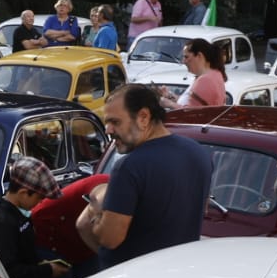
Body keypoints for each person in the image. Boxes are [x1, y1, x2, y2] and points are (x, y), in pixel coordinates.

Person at [78, 84, 212, 268]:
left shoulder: (129, 167)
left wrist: (95, 212)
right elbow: (203, 210)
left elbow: (110, 239)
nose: (108, 130)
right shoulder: (199, 152)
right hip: (178, 273)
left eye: (115, 122)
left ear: (143, 117)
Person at [0, 155, 68, 278]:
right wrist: (47, 271)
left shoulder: (20, 214)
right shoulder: (5, 222)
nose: (40, 203)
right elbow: (7, 270)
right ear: (24, 193)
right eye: (39, 198)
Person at [164, 36, 226, 108]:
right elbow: (190, 104)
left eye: (186, 57)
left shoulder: (205, 80)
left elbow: (191, 113)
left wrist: (169, 104)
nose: (183, 61)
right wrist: (169, 96)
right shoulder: (215, 74)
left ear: (199, 56)